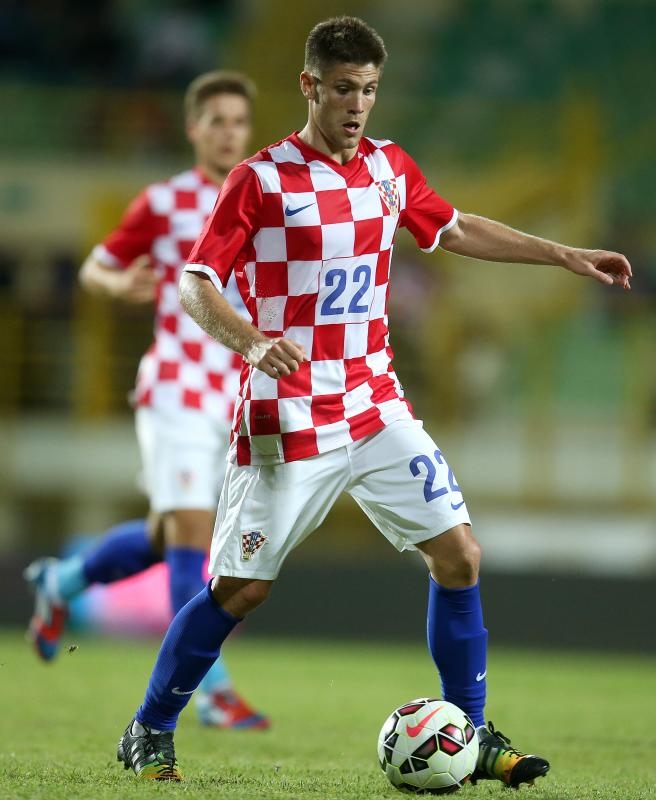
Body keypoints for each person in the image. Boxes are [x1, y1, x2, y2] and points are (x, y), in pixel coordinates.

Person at [115, 16, 632, 783]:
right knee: (243, 587)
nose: (357, 105)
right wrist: (254, 341)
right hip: (287, 410)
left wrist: (562, 254)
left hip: (374, 401)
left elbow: (453, 229)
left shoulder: (390, 168)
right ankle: (150, 728)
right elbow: (197, 283)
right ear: (309, 85)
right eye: (343, 89)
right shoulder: (260, 179)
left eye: (368, 90)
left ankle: (476, 733)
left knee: (458, 555)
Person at [23, 70, 269, 731]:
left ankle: (64, 581)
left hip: (235, 396)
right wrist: (116, 284)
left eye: (237, 122)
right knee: (194, 536)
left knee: (173, 537)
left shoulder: (265, 203)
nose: (227, 132)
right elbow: (95, 266)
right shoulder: (164, 202)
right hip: (175, 390)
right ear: (193, 128)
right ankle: (211, 690)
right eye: (215, 120)